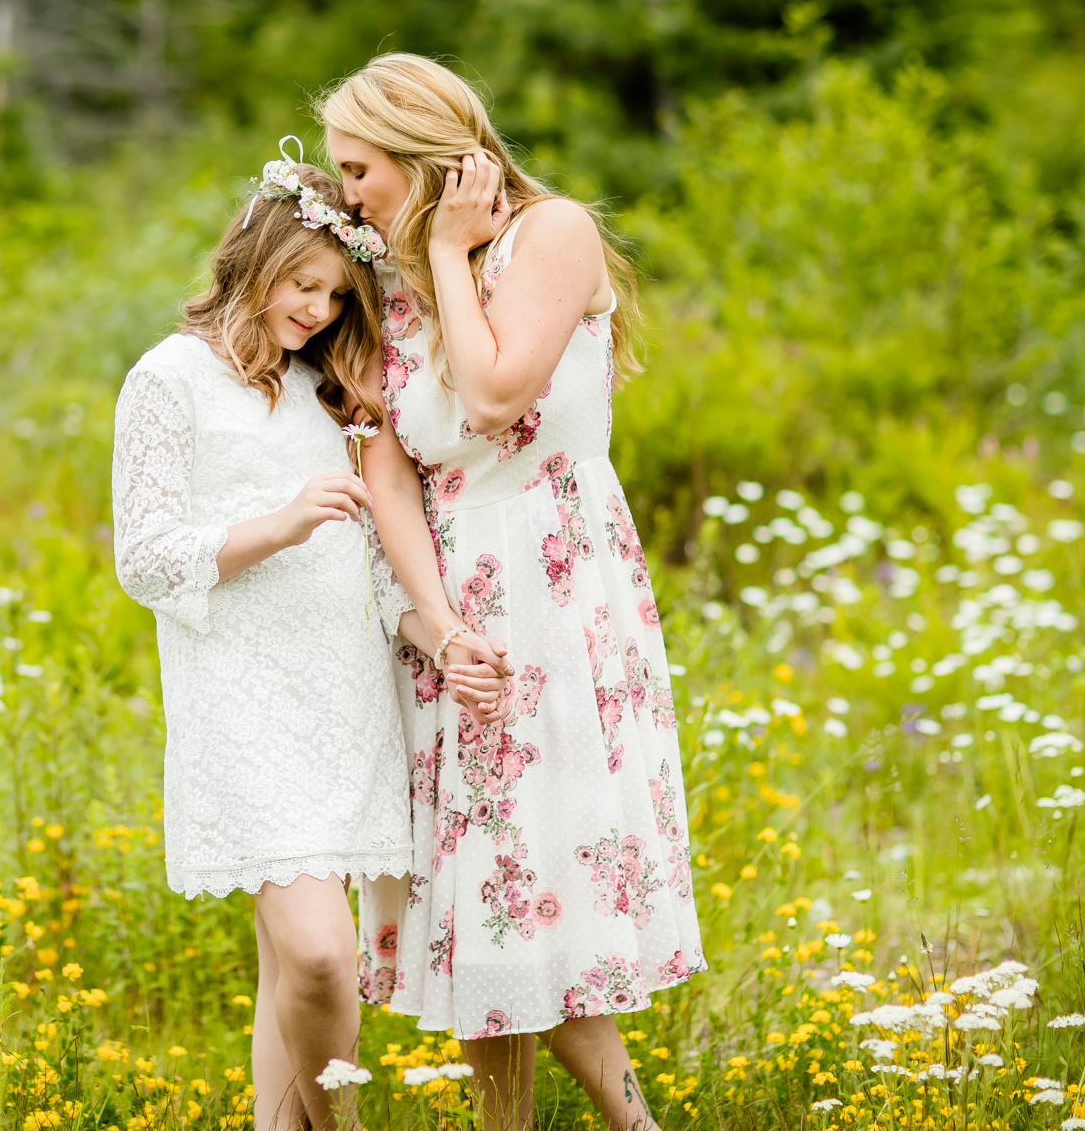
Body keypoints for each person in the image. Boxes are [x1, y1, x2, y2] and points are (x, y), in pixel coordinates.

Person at [325, 55, 706, 1131]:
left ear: (419, 152)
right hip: (447, 600)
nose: (348, 192)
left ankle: (636, 1125)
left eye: (361, 169)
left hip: (553, 582)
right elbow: (385, 467)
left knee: (538, 874)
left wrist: (447, 247)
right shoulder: (383, 279)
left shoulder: (549, 236)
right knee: (478, 897)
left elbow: (493, 395)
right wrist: (437, 623)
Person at [110, 143, 503, 1131]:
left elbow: (378, 576)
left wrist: (437, 636)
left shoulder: (329, 393)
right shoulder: (167, 379)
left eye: (334, 294)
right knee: (322, 953)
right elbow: (145, 557)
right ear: (251, 255)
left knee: (295, 965)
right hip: (241, 701)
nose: (317, 309)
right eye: (302, 281)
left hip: (343, 696)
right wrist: (280, 523)